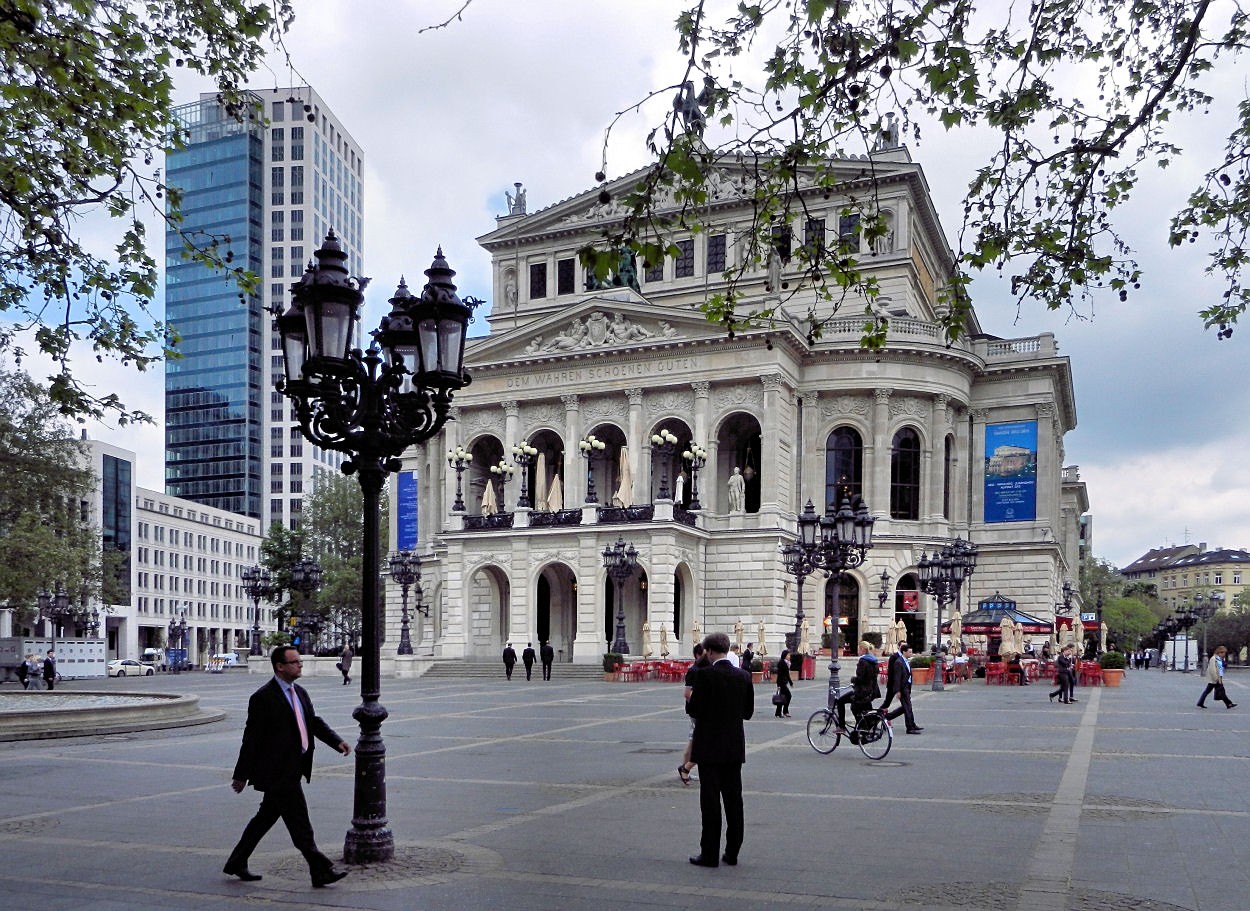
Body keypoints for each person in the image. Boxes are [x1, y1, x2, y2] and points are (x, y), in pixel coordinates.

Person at [224, 646, 351, 887]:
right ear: (280, 666)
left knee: (265, 818)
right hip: (277, 773)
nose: (300, 665)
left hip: (294, 767)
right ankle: (320, 869)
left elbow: (312, 722)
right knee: (300, 824)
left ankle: (237, 862)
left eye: (300, 661)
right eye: (294, 662)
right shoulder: (263, 697)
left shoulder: (300, 692)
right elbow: (251, 739)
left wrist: (337, 741)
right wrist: (241, 775)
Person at [685, 632, 754, 867]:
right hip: (734, 747)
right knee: (734, 800)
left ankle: (710, 853)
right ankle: (732, 852)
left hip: (709, 747)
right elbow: (748, 712)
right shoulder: (744, 676)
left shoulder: (704, 675)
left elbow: (693, 709)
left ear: (709, 652)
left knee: (710, 801)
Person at [677, 643, 709, 785]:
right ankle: (685, 768)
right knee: (696, 739)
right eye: (704, 654)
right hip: (696, 710)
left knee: (693, 740)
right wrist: (700, 701)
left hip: (700, 710)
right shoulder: (694, 670)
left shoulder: (704, 669)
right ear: (697, 655)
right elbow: (687, 693)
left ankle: (685, 769)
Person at [836, 641, 881, 732]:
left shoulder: (863, 661)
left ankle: (842, 726)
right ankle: (870, 723)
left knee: (841, 701)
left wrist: (853, 679)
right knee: (866, 708)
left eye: (858, 648)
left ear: (863, 649)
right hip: (871, 691)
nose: (857, 650)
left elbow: (861, 678)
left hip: (861, 691)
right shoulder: (874, 661)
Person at [882, 642, 923, 734]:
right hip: (901, 687)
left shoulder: (905, 661)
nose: (911, 654)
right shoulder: (898, 661)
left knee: (907, 707)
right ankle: (909, 727)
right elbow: (897, 677)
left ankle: (909, 724)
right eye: (909, 652)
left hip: (906, 687)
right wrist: (897, 690)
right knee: (906, 707)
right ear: (904, 652)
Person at [773, 648, 793, 718]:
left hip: (783, 682)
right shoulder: (782, 663)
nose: (789, 657)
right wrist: (790, 682)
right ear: (785, 655)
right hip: (781, 683)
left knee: (781, 697)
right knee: (787, 696)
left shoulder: (785, 663)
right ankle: (784, 711)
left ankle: (779, 712)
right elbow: (785, 674)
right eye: (788, 655)